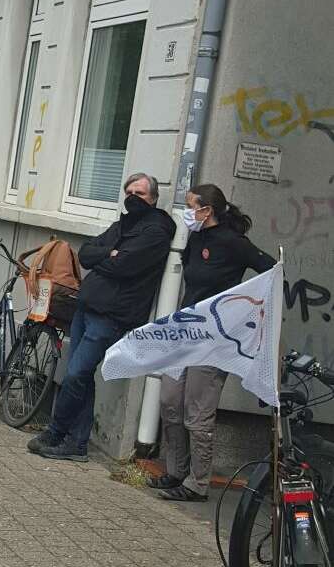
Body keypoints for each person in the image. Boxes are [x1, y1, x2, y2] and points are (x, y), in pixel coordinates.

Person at [28, 172, 174, 462]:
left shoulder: (155, 231)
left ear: (154, 198)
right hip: (87, 307)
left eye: (140, 193)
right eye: (129, 192)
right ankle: (77, 442)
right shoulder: (122, 225)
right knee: (81, 377)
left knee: (76, 374)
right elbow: (86, 254)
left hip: (111, 314)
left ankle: (58, 433)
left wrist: (108, 258)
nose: (133, 197)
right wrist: (111, 252)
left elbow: (125, 266)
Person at [150, 183, 275, 501]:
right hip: (186, 331)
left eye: (192, 206)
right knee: (169, 400)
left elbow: (271, 270)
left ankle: (197, 483)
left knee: (197, 411)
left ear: (207, 211)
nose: (188, 212)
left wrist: (244, 310)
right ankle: (175, 471)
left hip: (214, 338)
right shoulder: (197, 237)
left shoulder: (234, 243)